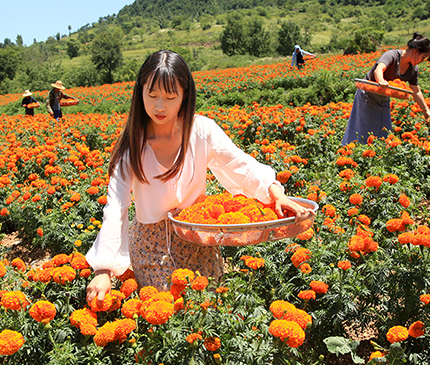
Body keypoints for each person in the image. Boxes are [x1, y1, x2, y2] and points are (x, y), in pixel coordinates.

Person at [85, 50, 311, 303]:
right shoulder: (132, 148)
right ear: (140, 93)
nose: (160, 106)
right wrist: (103, 269)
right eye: (152, 95)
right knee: (169, 315)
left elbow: (239, 164)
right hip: (151, 246)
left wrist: (276, 193)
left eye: (170, 96)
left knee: (207, 312)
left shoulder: (201, 130)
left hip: (199, 239)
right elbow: (115, 207)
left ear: (185, 95)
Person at [341, 32, 430, 145]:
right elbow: (379, 69)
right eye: (423, 57)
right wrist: (381, 80)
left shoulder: (413, 69)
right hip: (367, 95)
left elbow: (416, 91)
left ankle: (377, 155)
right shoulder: (392, 55)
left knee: (383, 129)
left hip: (383, 98)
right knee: (361, 128)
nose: (422, 61)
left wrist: (426, 110)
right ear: (416, 52)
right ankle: (352, 150)